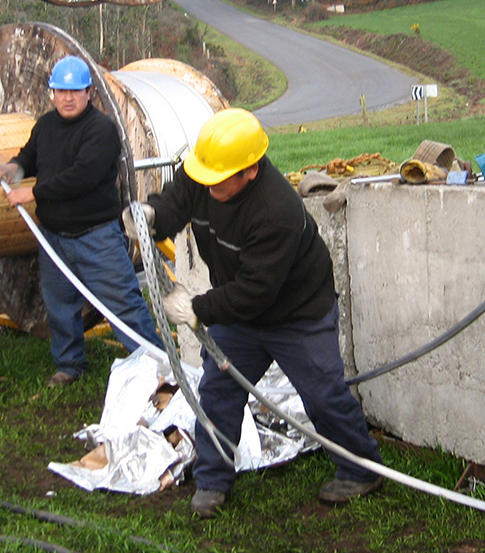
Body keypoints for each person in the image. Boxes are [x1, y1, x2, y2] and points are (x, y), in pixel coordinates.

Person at [123, 107, 384, 518]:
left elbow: (255, 292)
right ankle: (212, 480)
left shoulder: (275, 211)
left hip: (298, 313)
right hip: (241, 312)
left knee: (323, 394)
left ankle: (360, 468)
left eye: (218, 181)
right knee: (218, 390)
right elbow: (179, 200)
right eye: (203, 176)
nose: (207, 187)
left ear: (251, 171)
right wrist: (154, 217)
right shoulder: (210, 171)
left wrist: (196, 308)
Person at [0, 55, 161, 387]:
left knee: (122, 303)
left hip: (96, 237)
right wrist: (13, 169)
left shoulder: (102, 130)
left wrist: (33, 194)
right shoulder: (46, 125)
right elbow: (30, 157)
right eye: (60, 91)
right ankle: (69, 366)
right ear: (52, 92)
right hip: (53, 236)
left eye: (75, 91)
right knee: (60, 305)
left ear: (89, 92)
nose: (67, 98)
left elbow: (81, 177)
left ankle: (155, 368)